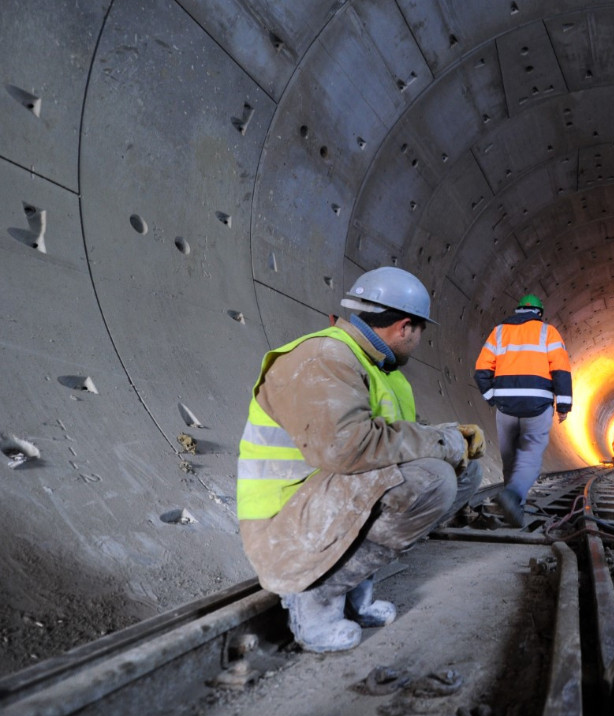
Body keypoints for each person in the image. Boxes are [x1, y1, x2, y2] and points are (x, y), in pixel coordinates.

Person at [237, 267, 486, 653]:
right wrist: (441, 442)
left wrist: (452, 436)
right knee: (434, 477)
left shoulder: (375, 367)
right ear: (405, 327)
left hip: (323, 512)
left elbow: (392, 440)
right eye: (421, 332)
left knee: (464, 470)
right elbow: (346, 448)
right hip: (283, 530)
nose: (419, 342)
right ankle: (317, 594)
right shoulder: (326, 357)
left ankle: (353, 583)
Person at [474, 294, 573, 527]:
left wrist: (492, 398)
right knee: (529, 454)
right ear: (539, 313)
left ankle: (514, 507)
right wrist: (564, 406)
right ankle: (514, 495)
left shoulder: (499, 332)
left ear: (518, 310)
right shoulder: (548, 332)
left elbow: (481, 370)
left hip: (506, 407)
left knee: (509, 458)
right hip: (537, 406)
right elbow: (561, 371)